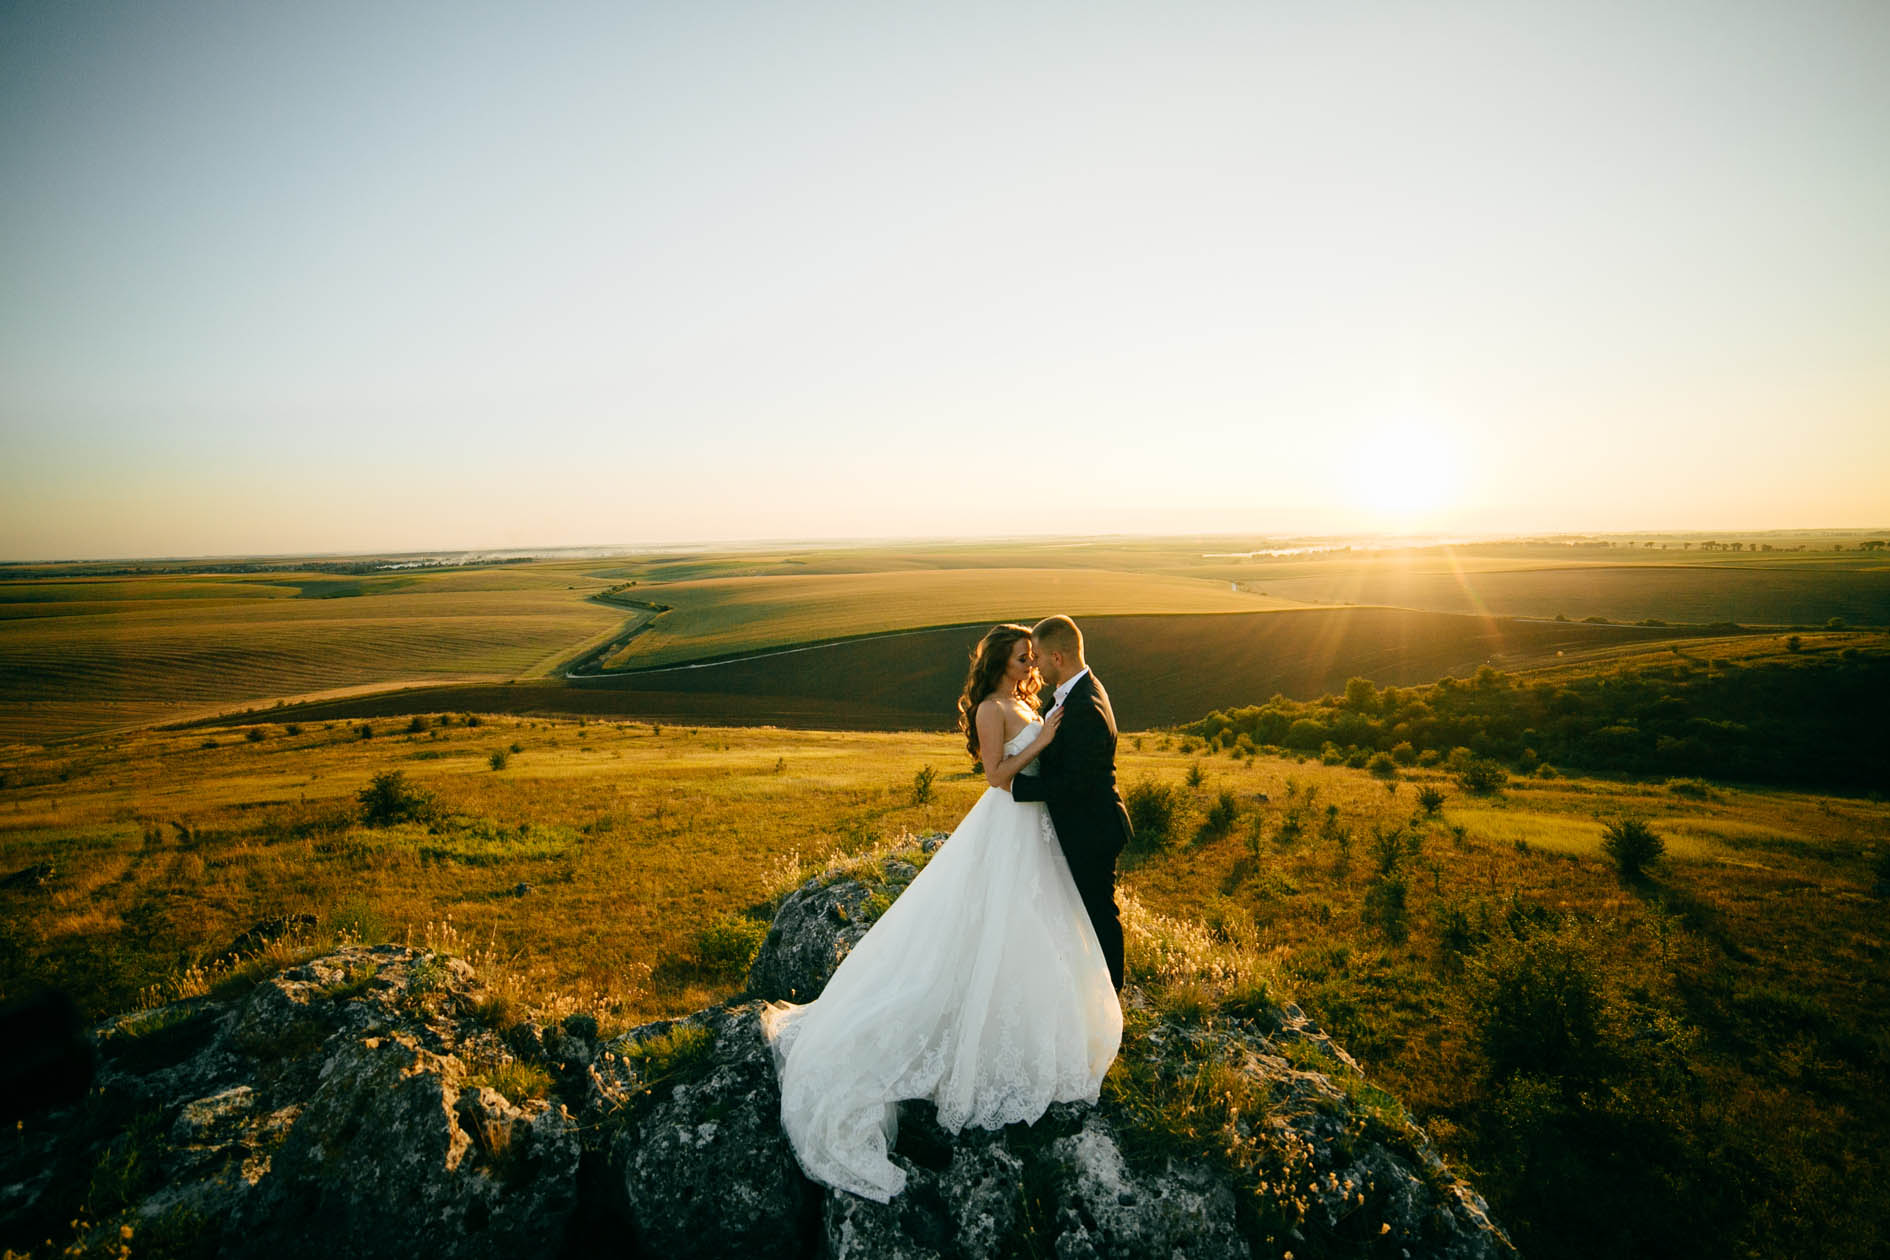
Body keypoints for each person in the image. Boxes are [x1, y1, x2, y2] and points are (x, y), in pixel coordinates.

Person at [759, 622, 1123, 1203]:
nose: (1030, 662)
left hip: (1040, 832)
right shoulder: (989, 708)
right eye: (1021, 654)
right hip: (1009, 826)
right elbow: (997, 778)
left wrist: (1047, 732)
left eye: (1034, 654)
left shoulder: (1029, 700)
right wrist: (1042, 741)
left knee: (1032, 929)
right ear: (1001, 659)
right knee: (985, 925)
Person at [1007, 614, 1132, 992]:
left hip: (1093, 828)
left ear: (1057, 657)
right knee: (1085, 912)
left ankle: (1113, 997)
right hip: (1084, 824)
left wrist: (1018, 789)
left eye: (1039, 658)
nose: (1036, 666)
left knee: (1099, 914)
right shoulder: (1076, 691)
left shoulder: (1085, 707)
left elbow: (1077, 784)